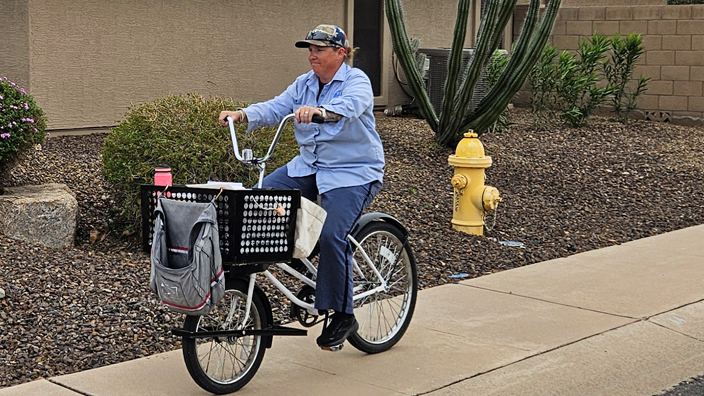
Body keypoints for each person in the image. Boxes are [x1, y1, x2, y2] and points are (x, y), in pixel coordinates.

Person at [218, 24, 384, 349]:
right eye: (310, 49)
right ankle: (306, 260)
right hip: (309, 167)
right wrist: (242, 114)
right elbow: (276, 107)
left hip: (352, 172)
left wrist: (322, 111)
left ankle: (343, 314)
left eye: (319, 50)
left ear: (340, 53)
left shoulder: (356, 81)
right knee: (258, 201)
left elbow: (349, 106)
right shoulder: (304, 84)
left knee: (332, 234)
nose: (312, 56)